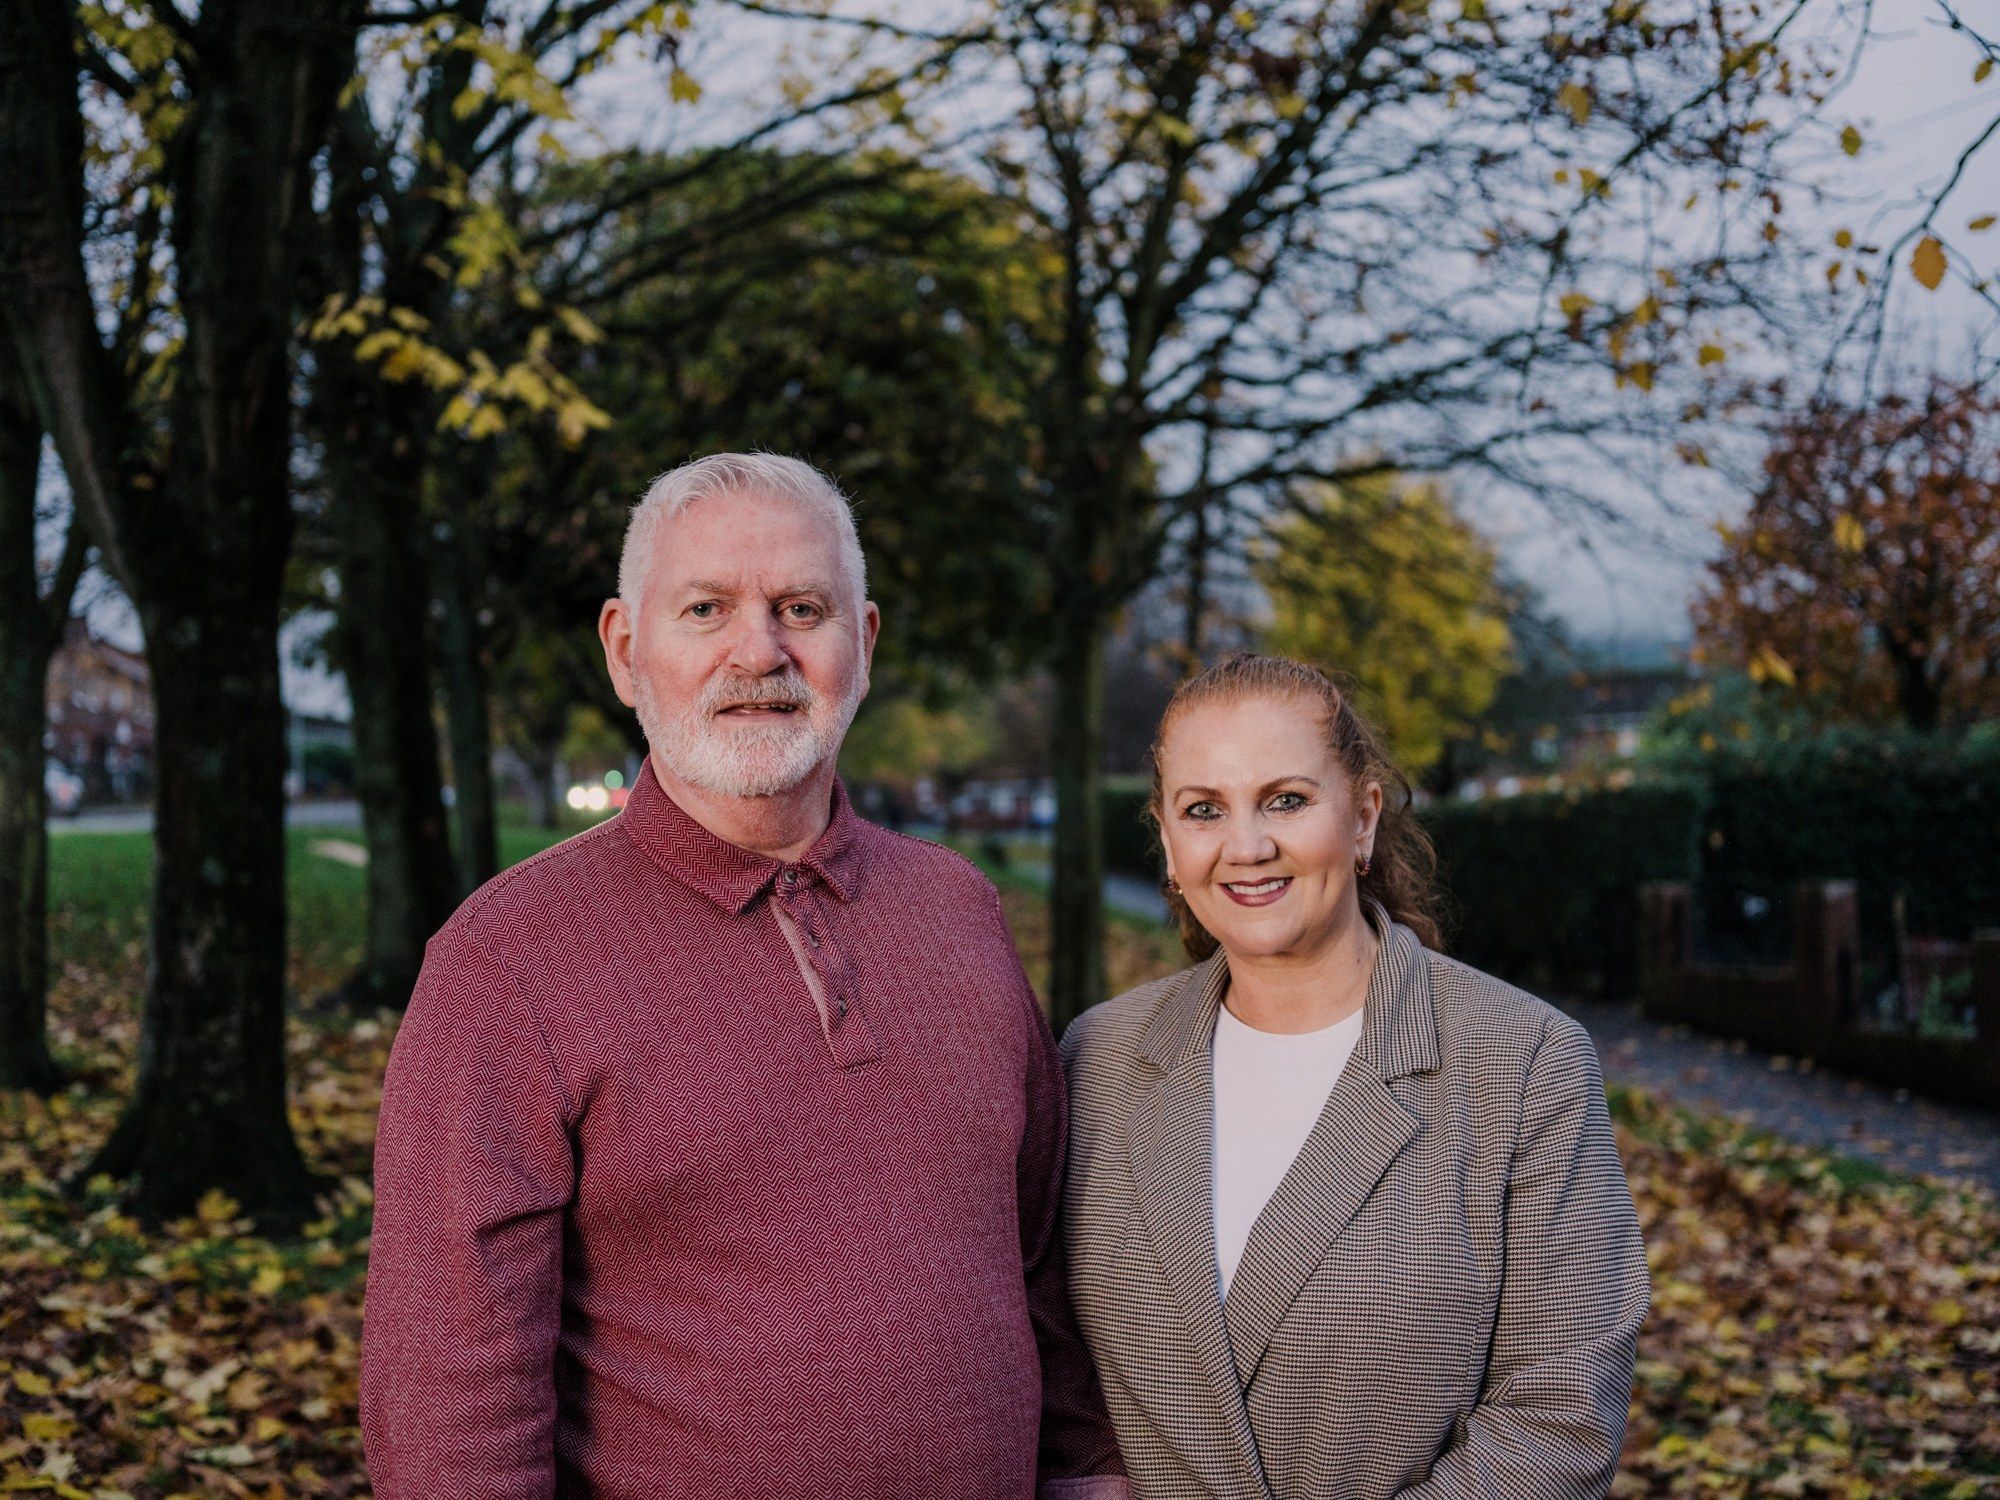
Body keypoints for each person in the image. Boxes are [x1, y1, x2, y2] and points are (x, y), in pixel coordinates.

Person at [360, 453, 1128, 1499]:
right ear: (626, 653)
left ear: (860, 644)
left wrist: (1086, 1476)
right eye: (706, 609)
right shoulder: (503, 965)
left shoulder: (959, 910)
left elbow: (1036, 1265)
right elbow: (451, 1405)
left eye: (799, 607)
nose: (757, 651)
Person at [1059, 653, 1649, 1500]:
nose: (1248, 846)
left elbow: (1559, 1418)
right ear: (1165, 838)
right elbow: (1048, 1358)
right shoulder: (1101, 1059)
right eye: (1204, 810)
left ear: (1364, 816)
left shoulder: (1522, 1064)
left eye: (1286, 800)